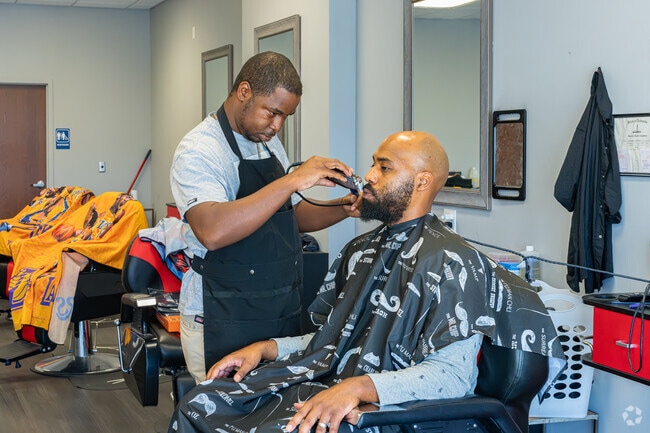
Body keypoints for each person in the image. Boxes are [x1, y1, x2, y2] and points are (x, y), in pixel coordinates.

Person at [168, 131, 566, 433]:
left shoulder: (455, 265)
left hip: (386, 413)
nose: (369, 176)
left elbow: (453, 376)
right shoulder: (361, 250)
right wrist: (266, 349)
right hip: (331, 384)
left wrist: (359, 387)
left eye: (385, 168)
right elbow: (337, 338)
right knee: (203, 401)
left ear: (423, 182)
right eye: (374, 164)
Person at [170, 51, 362, 383]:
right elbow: (212, 230)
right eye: (272, 113)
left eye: (285, 116)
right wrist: (292, 179)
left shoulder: (267, 144)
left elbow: (288, 219)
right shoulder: (200, 150)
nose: (277, 126)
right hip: (222, 315)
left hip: (276, 315)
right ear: (244, 92)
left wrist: (342, 208)